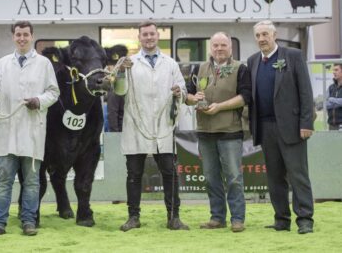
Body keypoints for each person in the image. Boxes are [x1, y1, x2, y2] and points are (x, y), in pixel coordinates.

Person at [0, 21, 59, 236]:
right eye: (18, 34)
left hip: (33, 129)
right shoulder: (3, 64)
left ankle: (28, 221)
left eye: (26, 34)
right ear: (13, 37)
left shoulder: (43, 64)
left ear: (32, 36)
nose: (22, 38)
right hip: (8, 131)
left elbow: (54, 92)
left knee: (32, 181)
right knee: (4, 179)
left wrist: (39, 100)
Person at [115, 21, 189, 232]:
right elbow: (119, 91)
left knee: (170, 173)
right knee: (134, 174)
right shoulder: (129, 63)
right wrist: (120, 72)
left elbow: (183, 90)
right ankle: (133, 217)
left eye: (152, 34)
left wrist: (179, 92)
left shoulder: (171, 64)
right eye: (145, 34)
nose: (149, 37)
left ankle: (174, 217)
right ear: (139, 38)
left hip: (163, 126)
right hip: (137, 125)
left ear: (158, 36)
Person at [247, 20, 314, 234]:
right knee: (274, 177)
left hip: (293, 127)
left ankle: (304, 219)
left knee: (298, 175)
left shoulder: (292, 56)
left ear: (274, 35)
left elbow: (305, 91)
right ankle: (281, 219)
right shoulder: (253, 61)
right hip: (265, 128)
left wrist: (306, 123)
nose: (261, 39)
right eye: (258, 35)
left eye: (265, 34)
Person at [186, 32, 251, 233]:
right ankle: (217, 217)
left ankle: (237, 218)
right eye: (215, 45)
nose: (219, 49)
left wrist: (220, 107)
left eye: (223, 45)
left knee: (233, 178)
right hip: (205, 131)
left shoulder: (241, 68)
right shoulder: (199, 69)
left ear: (230, 48)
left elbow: (245, 97)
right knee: (210, 178)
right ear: (210, 48)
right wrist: (193, 98)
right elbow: (188, 95)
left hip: (230, 131)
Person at [106, 44, 128, 132]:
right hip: (114, 89)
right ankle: (115, 133)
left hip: (123, 89)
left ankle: (118, 132)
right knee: (114, 114)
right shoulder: (110, 67)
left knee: (120, 113)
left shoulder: (126, 68)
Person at [326, 63, 342, 131]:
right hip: (331, 125)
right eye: (333, 70)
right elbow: (326, 104)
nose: (333, 72)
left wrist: (331, 99)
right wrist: (338, 102)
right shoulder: (330, 87)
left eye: (336, 70)